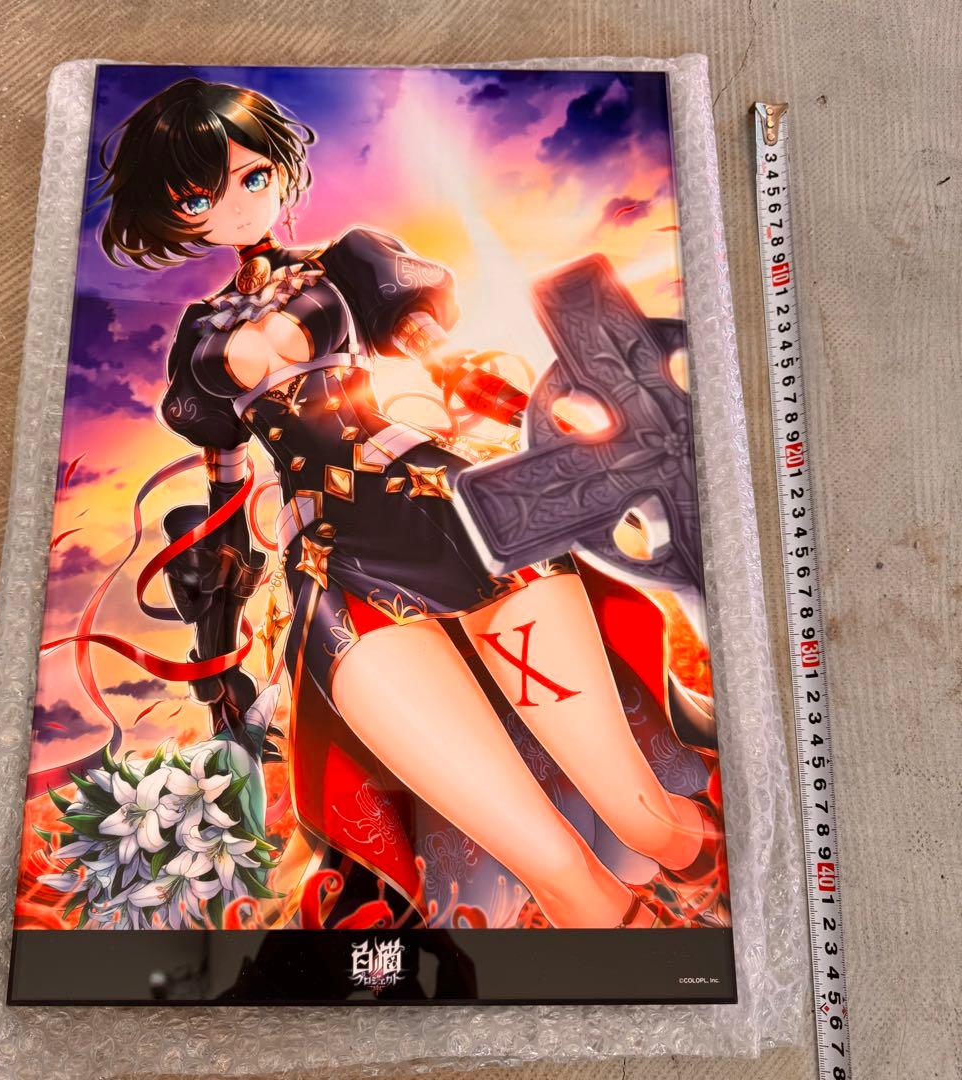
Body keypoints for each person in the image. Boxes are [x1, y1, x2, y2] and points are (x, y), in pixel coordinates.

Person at [90, 77, 724, 929]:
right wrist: (218, 657)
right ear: (174, 213)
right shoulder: (200, 339)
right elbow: (223, 495)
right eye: (200, 196)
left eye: (252, 176)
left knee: (642, 816)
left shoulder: (345, 266)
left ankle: (730, 902)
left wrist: (574, 431)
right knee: (556, 871)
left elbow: (445, 359)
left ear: (276, 166)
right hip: (331, 565)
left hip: (452, 510)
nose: (237, 205)